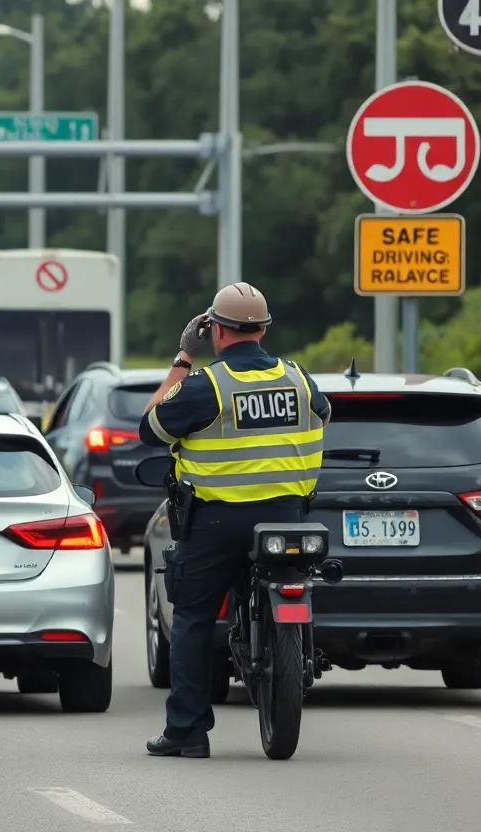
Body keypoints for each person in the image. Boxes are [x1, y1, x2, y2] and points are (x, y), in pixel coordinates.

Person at [137, 282, 331, 759]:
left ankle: (187, 731)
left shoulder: (207, 386)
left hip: (217, 524)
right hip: (288, 516)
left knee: (193, 617)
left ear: (216, 330)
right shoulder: (299, 379)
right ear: (263, 330)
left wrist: (185, 356)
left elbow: (149, 426)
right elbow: (324, 413)